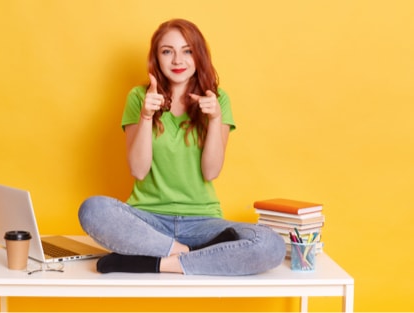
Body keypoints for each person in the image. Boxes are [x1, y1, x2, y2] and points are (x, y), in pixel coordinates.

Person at [78, 18, 285, 275]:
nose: (178, 61)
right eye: (168, 51)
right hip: (148, 220)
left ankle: (154, 263)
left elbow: (211, 172)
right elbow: (138, 170)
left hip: (203, 222)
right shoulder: (138, 97)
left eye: (187, 51)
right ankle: (188, 254)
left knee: (271, 244)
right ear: (156, 57)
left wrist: (215, 119)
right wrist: (145, 117)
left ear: (199, 55)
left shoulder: (217, 100)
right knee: (92, 209)